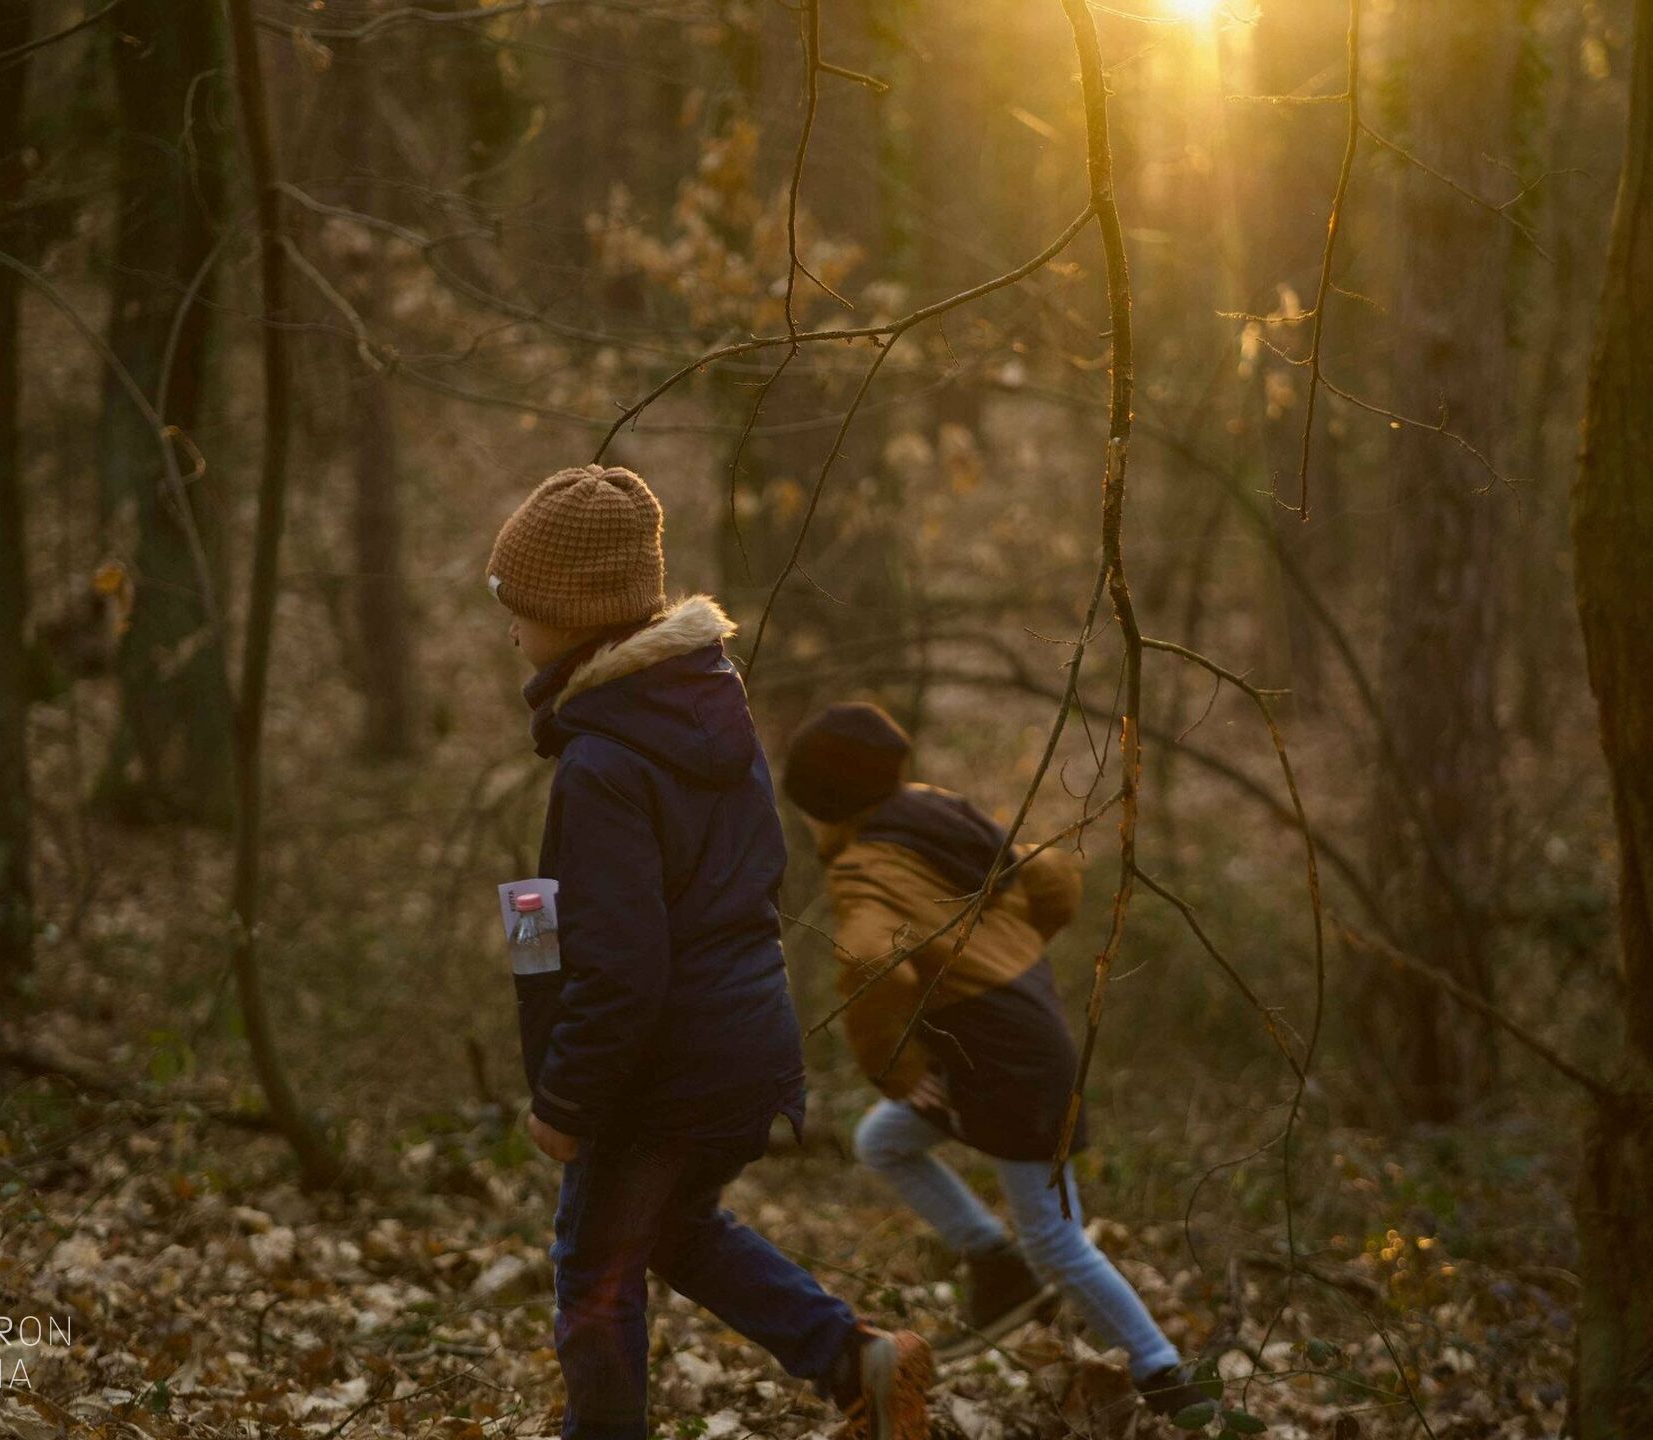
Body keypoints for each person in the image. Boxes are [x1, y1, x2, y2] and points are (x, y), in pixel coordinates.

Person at [488, 465, 934, 1440]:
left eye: (515, 601)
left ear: (574, 612)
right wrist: (534, 924)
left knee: (592, 1279)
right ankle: (852, 1356)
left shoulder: (605, 763)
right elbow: (713, 898)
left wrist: (564, 1103)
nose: (508, 621)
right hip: (746, 1046)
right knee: (677, 1230)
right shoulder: (705, 712)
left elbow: (622, 967)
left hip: (662, 1070)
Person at [781, 701, 1216, 1416]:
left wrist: (894, 1065)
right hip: (1011, 1031)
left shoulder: (862, 867)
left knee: (1056, 1239)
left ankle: (1168, 1380)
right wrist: (1008, 951)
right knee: (883, 1140)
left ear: (819, 805)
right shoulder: (935, 809)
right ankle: (993, 1262)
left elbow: (870, 962)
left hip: (1001, 1051)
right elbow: (1052, 880)